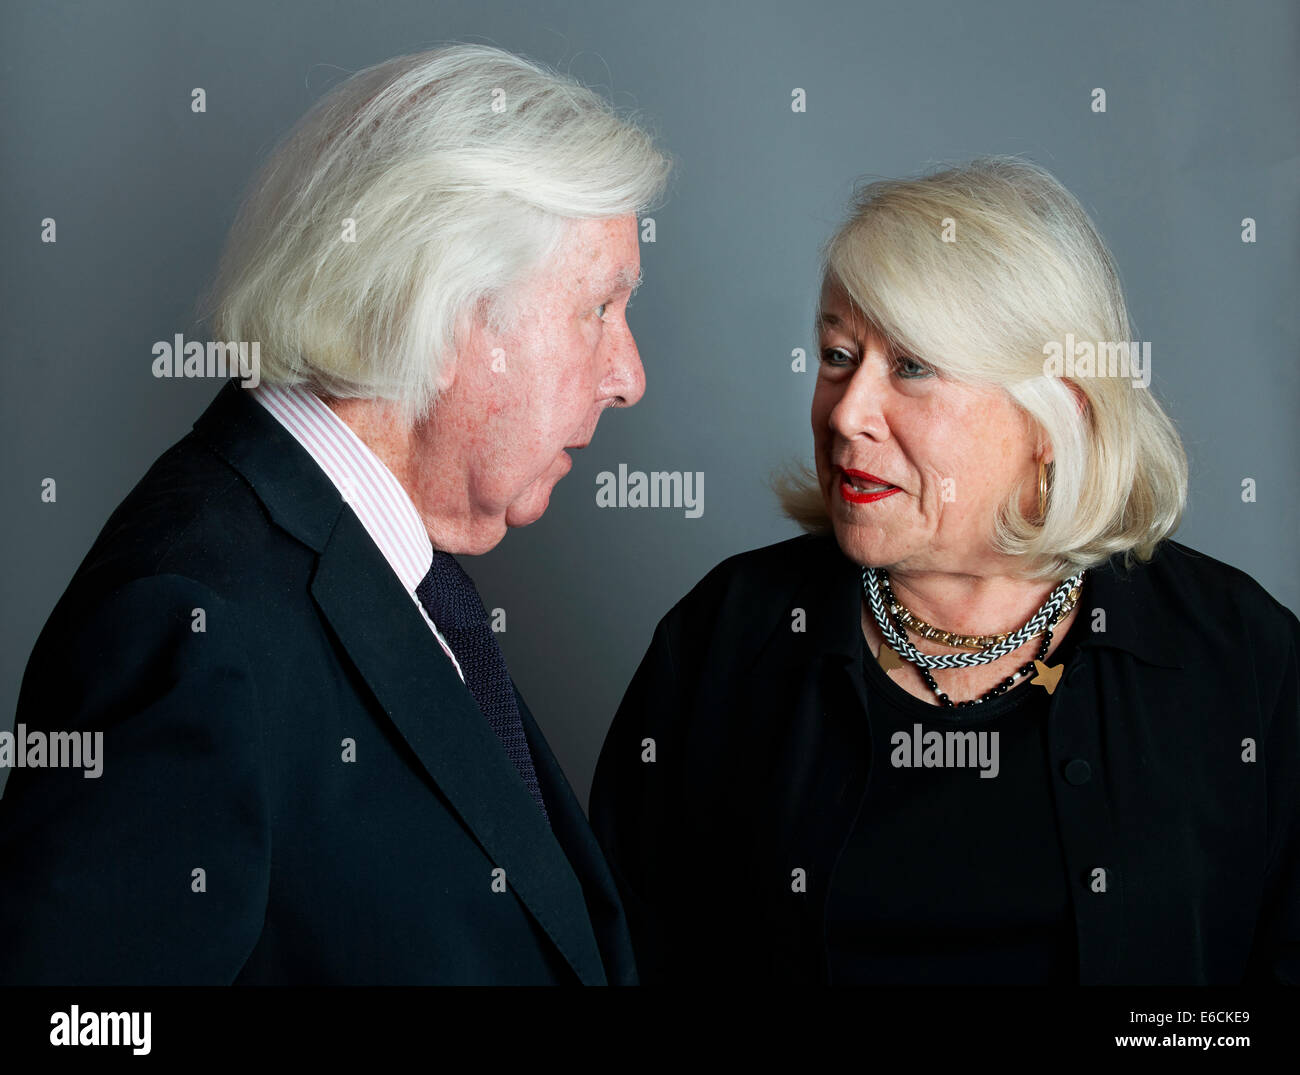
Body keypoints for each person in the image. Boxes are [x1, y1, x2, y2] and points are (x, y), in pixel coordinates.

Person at [0, 44, 669, 985]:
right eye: (600, 307)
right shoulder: (193, 623)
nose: (629, 376)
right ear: (441, 315)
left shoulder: (405, 571)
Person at [590, 157, 1300, 985]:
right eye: (836, 355)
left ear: (1054, 415)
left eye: (913, 367)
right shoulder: (723, 641)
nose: (849, 413)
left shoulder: (1240, 658)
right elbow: (618, 954)